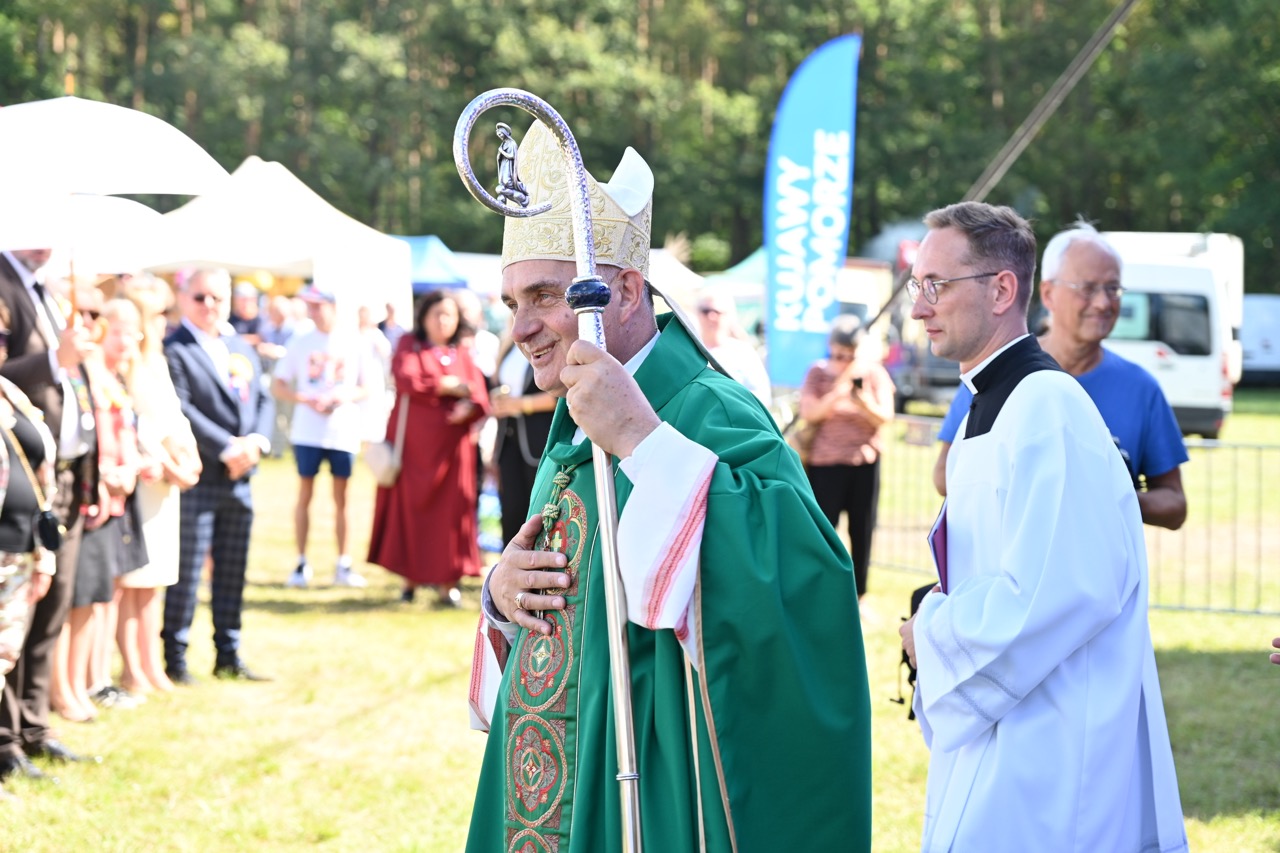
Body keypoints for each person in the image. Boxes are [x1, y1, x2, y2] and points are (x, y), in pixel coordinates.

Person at [465, 120, 870, 851]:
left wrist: (643, 444)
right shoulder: (571, 420)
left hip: (655, 790)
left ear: (625, 289)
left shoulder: (711, 412)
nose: (521, 328)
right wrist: (500, 593)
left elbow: (800, 587)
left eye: (546, 295)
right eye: (512, 303)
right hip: (560, 778)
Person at [897, 201, 1187, 852]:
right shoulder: (989, 403)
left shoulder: (1047, 409)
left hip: (1050, 749)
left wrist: (932, 632)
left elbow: (1056, 595)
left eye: (936, 285)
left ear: (1002, 290)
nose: (919, 309)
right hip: (1009, 726)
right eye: (918, 286)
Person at [931, 222, 1189, 531]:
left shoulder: (1141, 389)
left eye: (1113, 288)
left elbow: (1175, 504)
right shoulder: (998, 368)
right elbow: (944, 475)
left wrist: (1113, 496)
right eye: (1087, 288)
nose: (1103, 303)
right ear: (1048, 294)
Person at [0, 248, 100, 780]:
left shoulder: (49, 290)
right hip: (19, 479)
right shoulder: (5, 283)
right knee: (17, 614)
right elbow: (8, 374)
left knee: (51, 606)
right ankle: (7, 738)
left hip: (63, 473)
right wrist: (56, 358)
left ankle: (35, 726)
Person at [163, 268, 275, 683]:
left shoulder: (237, 345)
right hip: (201, 474)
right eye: (200, 297)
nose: (209, 305)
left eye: (216, 298)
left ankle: (228, 653)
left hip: (241, 477)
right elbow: (181, 407)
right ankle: (175, 657)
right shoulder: (174, 349)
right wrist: (227, 448)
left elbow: (262, 397)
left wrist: (256, 443)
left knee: (232, 568)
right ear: (183, 298)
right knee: (188, 572)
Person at [367, 290, 490, 605]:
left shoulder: (461, 352)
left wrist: (469, 406)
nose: (443, 321)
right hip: (414, 450)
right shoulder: (410, 344)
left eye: (450, 315)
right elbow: (406, 378)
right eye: (437, 314)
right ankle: (409, 581)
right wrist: (446, 385)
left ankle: (448, 583)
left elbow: (480, 395)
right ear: (424, 317)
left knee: (450, 516)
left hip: (452, 453)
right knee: (413, 512)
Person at [118, 286, 201, 694]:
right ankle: (131, 668)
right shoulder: (128, 367)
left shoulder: (158, 361)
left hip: (168, 481)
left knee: (154, 582)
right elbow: (138, 426)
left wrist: (190, 457)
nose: (163, 323)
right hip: (148, 479)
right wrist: (171, 464)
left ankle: (151, 664)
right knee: (134, 580)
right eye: (156, 316)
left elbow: (175, 418)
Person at [273, 283, 372, 589]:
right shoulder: (300, 340)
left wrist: (341, 397)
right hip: (307, 432)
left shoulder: (354, 341)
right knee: (305, 495)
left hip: (342, 432)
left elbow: (366, 386)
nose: (313, 312)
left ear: (333, 306)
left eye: (318, 306)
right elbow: (279, 384)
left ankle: (343, 563)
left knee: (342, 498)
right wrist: (305, 399)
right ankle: (301, 562)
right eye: (310, 306)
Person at [0, 299, 59, 798]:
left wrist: (44, 550)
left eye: (1, 337)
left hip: (21, 549)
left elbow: (41, 471)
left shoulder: (11, 392)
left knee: (4, 657)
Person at [799, 314, 895, 599]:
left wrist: (862, 402)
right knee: (823, 532)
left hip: (864, 464)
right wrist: (838, 392)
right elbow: (809, 412)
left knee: (862, 531)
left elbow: (886, 416)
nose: (843, 361)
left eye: (849, 356)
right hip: (825, 465)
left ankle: (859, 595)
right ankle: (821, 592)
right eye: (838, 355)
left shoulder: (874, 374)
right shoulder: (817, 373)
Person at [489, 337, 557, 546]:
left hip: (540, 441)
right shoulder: (508, 345)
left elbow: (559, 395)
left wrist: (521, 404)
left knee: (538, 513)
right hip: (509, 441)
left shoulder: (547, 340)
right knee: (511, 512)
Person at [695, 288, 772, 408]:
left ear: (729, 315)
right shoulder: (690, 349)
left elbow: (762, 396)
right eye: (706, 311)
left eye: (717, 311)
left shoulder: (743, 352)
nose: (711, 316)